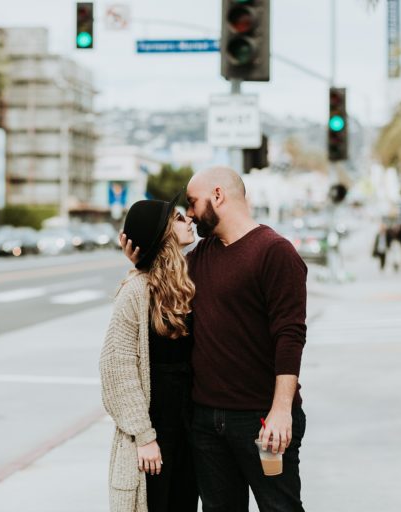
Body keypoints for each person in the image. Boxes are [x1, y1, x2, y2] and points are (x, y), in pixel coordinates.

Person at [122, 167, 308, 512]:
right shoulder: (199, 257)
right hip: (206, 423)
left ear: (218, 196)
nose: (190, 214)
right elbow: (165, 281)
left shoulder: (274, 251)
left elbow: (290, 334)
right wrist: (141, 265)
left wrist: (282, 411)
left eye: (192, 203)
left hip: (261, 421)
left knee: (280, 508)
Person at [100, 195, 199, 512]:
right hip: (154, 431)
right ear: (162, 234)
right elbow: (118, 371)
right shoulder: (136, 291)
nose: (189, 220)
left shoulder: (186, 283)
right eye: (179, 218)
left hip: (188, 428)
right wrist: (144, 437)